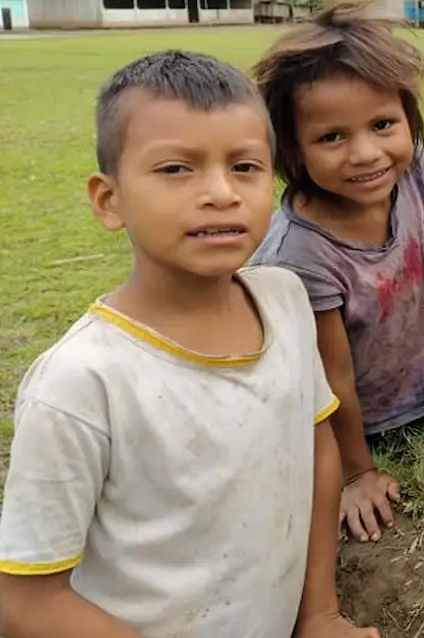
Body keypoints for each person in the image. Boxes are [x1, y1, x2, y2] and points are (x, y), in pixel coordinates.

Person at [0, 51, 376, 638]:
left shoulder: (283, 300)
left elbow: (317, 448)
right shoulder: (81, 384)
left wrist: (319, 613)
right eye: (177, 169)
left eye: (246, 167)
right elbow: (26, 604)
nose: (222, 192)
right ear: (109, 200)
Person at [251, 0, 424, 546]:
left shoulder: (411, 174)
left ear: (409, 119)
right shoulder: (301, 254)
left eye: (383, 124)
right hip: (340, 434)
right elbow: (329, 378)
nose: (366, 153)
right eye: (332, 137)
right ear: (291, 149)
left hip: (414, 401)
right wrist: (356, 474)